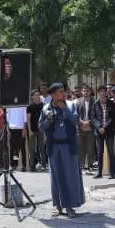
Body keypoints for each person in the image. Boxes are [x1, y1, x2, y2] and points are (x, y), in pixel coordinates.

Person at [40, 83, 85, 217]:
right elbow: (41, 126)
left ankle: (70, 206)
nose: (63, 94)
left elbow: (77, 121)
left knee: (70, 176)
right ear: (53, 95)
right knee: (56, 177)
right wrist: (48, 120)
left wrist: (65, 110)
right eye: (60, 92)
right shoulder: (46, 108)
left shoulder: (71, 105)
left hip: (68, 146)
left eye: (63, 91)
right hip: (54, 147)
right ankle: (57, 206)